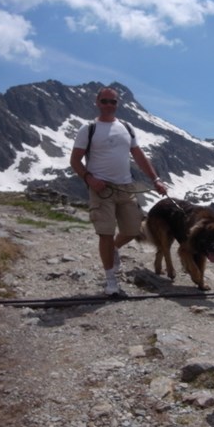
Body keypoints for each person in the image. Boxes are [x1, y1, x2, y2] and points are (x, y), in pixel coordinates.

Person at [70, 87, 168, 296]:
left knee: (133, 230)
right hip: (101, 189)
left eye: (113, 102)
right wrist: (89, 179)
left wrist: (156, 179)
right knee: (105, 233)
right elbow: (75, 160)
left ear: (117, 104)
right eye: (105, 101)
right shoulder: (88, 129)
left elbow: (139, 155)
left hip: (126, 187)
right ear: (97, 102)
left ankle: (113, 249)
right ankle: (111, 280)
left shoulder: (126, 127)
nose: (109, 105)